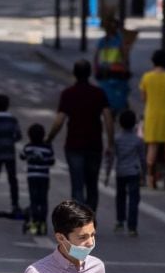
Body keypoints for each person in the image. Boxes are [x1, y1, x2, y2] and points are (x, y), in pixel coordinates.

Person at [46, 60, 114, 211]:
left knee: (77, 186)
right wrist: (110, 143)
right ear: (90, 73)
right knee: (92, 185)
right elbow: (108, 117)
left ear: (74, 73)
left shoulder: (68, 94)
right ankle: (90, 220)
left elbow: (60, 120)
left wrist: (49, 138)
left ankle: (80, 223)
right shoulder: (99, 93)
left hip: (74, 145)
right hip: (94, 145)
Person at [136, 49, 165, 189]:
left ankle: (151, 179)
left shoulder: (146, 77)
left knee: (152, 146)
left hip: (152, 115)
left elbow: (144, 98)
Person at [107, 110, 145, 236]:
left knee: (120, 197)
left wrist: (107, 174)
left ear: (120, 123)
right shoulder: (138, 140)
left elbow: (112, 156)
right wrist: (144, 173)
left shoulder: (117, 139)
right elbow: (142, 158)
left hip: (120, 172)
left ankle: (120, 220)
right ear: (134, 123)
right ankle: (132, 227)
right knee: (134, 199)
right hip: (134, 172)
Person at [93, 18, 132, 118]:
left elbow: (96, 58)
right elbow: (125, 58)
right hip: (115, 73)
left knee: (108, 97)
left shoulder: (103, 41)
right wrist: (127, 69)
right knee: (118, 97)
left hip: (107, 73)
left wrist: (96, 70)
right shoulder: (118, 41)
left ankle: (110, 114)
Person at [20, 123, 55, 235]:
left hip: (32, 177)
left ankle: (34, 223)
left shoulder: (28, 147)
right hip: (44, 177)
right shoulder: (47, 148)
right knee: (43, 200)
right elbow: (52, 160)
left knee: (34, 200)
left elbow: (22, 155)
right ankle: (43, 223)